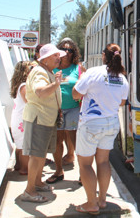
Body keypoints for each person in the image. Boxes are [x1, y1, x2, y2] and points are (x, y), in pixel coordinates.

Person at [72, 43, 129, 214]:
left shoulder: (94, 72)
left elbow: (76, 94)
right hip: (111, 123)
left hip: (91, 123)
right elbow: (122, 102)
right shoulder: (122, 78)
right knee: (103, 161)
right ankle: (102, 200)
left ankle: (91, 203)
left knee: (85, 164)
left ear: (104, 55)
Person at [19, 44, 66, 203]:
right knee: (37, 155)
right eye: (55, 56)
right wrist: (56, 84)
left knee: (41, 154)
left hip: (45, 119)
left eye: (58, 56)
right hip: (39, 119)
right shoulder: (39, 72)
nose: (58, 58)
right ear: (44, 59)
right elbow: (40, 92)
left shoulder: (46, 71)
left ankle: (37, 182)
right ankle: (29, 190)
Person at [46, 38, 86, 184]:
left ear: (73, 52)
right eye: (64, 50)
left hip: (74, 108)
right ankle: (58, 171)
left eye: (70, 50)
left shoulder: (78, 68)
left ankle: (83, 173)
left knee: (75, 141)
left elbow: (86, 85)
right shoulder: (52, 68)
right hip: (56, 109)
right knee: (57, 141)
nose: (67, 52)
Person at [10, 61, 32, 175]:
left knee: (19, 144)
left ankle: (19, 165)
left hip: (17, 118)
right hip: (22, 120)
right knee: (24, 145)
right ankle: (24, 168)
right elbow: (29, 101)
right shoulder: (24, 86)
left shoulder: (17, 85)